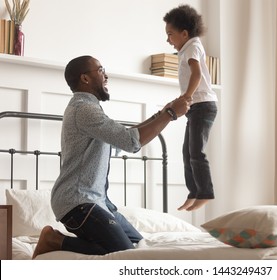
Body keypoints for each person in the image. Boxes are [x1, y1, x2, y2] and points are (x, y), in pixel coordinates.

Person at [32, 55, 189, 259]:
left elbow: (121, 141)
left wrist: (161, 113)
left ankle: (86, 239)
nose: (106, 75)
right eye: (100, 70)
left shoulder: (89, 109)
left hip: (99, 202)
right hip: (77, 202)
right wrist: (170, 114)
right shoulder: (84, 109)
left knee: (136, 241)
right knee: (125, 253)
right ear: (85, 79)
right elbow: (132, 142)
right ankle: (54, 240)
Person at [163, 5, 218, 211]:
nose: (168, 40)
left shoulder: (193, 46)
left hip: (203, 105)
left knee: (196, 151)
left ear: (184, 33)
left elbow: (196, 75)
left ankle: (205, 192)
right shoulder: (188, 48)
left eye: (170, 34)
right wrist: (184, 98)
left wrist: (186, 96)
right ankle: (194, 192)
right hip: (197, 106)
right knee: (187, 152)